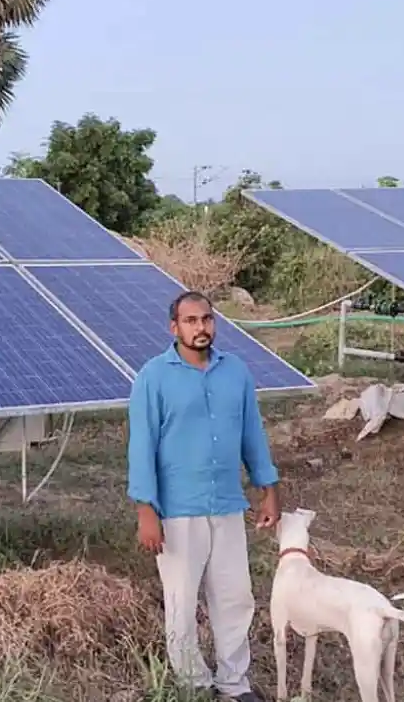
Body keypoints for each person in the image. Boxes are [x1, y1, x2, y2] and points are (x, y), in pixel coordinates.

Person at [127, 290, 280, 702]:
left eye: (207, 320)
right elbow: (141, 446)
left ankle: (234, 684)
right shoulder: (153, 377)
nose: (201, 328)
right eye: (191, 321)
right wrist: (146, 509)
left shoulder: (236, 373)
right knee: (181, 602)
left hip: (227, 505)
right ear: (173, 327)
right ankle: (193, 685)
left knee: (235, 597)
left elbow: (253, 434)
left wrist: (268, 489)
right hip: (178, 510)